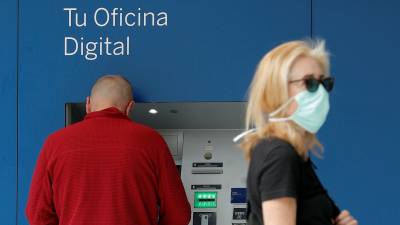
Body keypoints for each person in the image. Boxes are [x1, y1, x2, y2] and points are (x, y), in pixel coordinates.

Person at [26, 75, 191, 225]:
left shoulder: (55, 143)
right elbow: (179, 214)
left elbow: (37, 214)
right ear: (130, 107)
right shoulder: (152, 141)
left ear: (88, 104)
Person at [234, 40, 358, 225]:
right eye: (309, 83)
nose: (321, 92)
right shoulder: (279, 155)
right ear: (276, 91)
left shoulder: (295, 154)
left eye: (324, 82)